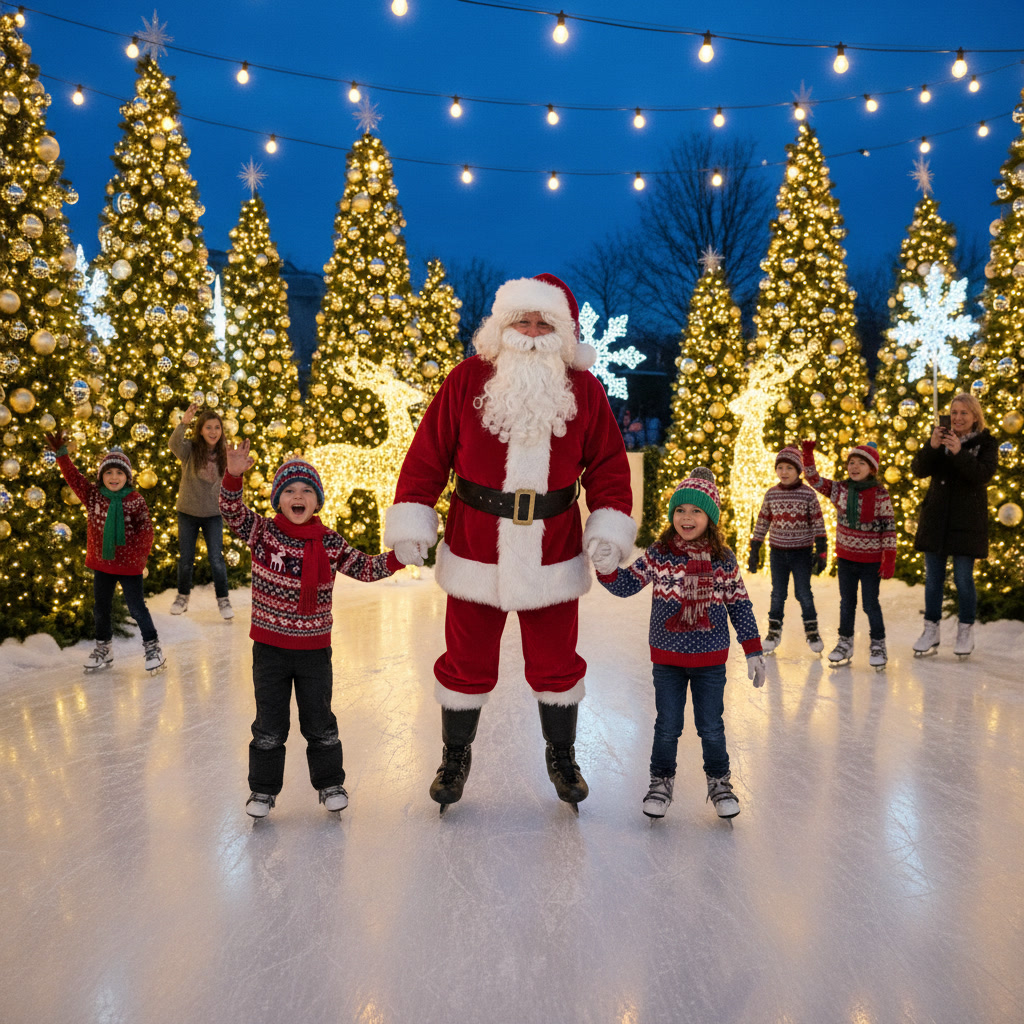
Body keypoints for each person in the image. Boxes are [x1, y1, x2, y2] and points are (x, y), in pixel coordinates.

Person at [384, 273, 636, 813]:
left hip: (553, 548)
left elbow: (610, 466)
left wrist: (608, 525)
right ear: (502, 324)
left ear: (562, 332)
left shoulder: (584, 390)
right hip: (476, 544)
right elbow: (429, 452)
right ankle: (455, 757)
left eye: (544, 321)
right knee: (465, 660)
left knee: (557, 662)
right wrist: (414, 517)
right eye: (523, 319)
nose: (532, 328)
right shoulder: (466, 379)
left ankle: (563, 756)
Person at [220, 442, 406, 819]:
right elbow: (231, 510)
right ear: (278, 499)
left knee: (320, 722)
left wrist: (399, 558)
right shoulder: (263, 533)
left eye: (306, 490)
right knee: (269, 725)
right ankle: (263, 791)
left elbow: (365, 568)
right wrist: (234, 475)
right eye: (289, 490)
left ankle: (330, 783)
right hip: (270, 650)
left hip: (314, 651)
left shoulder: (330, 542)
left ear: (317, 500)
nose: (298, 496)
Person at [596, 468, 765, 821]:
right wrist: (608, 568)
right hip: (668, 659)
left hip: (710, 661)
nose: (686, 518)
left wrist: (753, 649)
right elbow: (628, 584)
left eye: (696, 511)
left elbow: (739, 604)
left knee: (711, 727)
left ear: (711, 517)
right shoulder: (660, 554)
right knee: (667, 726)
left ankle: (720, 784)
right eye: (680, 510)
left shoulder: (723, 560)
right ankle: (660, 783)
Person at [44, 429, 165, 674]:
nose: (113, 477)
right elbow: (74, 478)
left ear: (127, 476)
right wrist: (61, 455)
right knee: (101, 608)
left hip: (129, 566)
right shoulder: (93, 496)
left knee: (136, 608)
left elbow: (146, 531)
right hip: (102, 564)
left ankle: (153, 647)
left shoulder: (135, 500)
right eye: (108, 472)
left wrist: (138, 557)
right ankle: (104, 647)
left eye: (119, 472)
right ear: (101, 476)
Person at [910, 393, 998, 657]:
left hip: (966, 522)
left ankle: (965, 631)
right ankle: (931, 630)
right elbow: (918, 470)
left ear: (974, 417)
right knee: (933, 580)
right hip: (937, 519)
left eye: (964, 413)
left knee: (963, 578)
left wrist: (959, 453)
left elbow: (983, 474)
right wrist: (932, 446)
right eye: (954, 412)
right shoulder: (940, 438)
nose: (958, 418)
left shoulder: (986, 443)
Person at [801, 440, 896, 668]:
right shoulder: (840, 490)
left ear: (872, 468)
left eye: (860, 463)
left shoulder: (881, 495)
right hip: (846, 559)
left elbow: (889, 529)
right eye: (851, 462)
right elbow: (813, 479)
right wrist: (808, 454)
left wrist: (888, 558)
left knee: (870, 604)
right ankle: (845, 642)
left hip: (871, 561)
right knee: (847, 603)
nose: (854, 467)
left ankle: (878, 644)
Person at [748, 445, 827, 654]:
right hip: (777, 553)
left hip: (801, 553)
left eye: (789, 468)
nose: (784, 472)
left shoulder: (808, 495)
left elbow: (818, 523)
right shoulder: (771, 495)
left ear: (798, 470)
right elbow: (762, 521)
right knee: (777, 594)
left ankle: (812, 631)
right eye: (780, 467)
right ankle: (773, 632)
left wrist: (821, 551)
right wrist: (755, 548)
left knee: (803, 593)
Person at [168, 403, 232, 619]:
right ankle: (182, 597)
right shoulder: (190, 450)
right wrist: (184, 422)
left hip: (213, 514)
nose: (213, 432)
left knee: (217, 559)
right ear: (201, 430)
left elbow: (233, 481)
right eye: (208, 427)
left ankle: (223, 601)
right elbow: (173, 443)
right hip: (188, 512)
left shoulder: (226, 454)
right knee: (186, 560)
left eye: (217, 427)